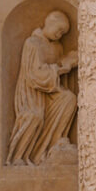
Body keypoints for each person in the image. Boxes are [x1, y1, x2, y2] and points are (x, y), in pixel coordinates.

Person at [7, 10, 78, 166]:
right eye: (58, 30)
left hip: (51, 91)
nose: (60, 34)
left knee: (69, 99)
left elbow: (58, 69)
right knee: (34, 116)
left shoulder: (57, 47)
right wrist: (60, 67)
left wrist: (69, 61)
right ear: (49, 23)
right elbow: (34, 74)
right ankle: (18, 157)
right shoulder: (32, 43)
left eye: (63, 33)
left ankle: (53, 147)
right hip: (32, 93)